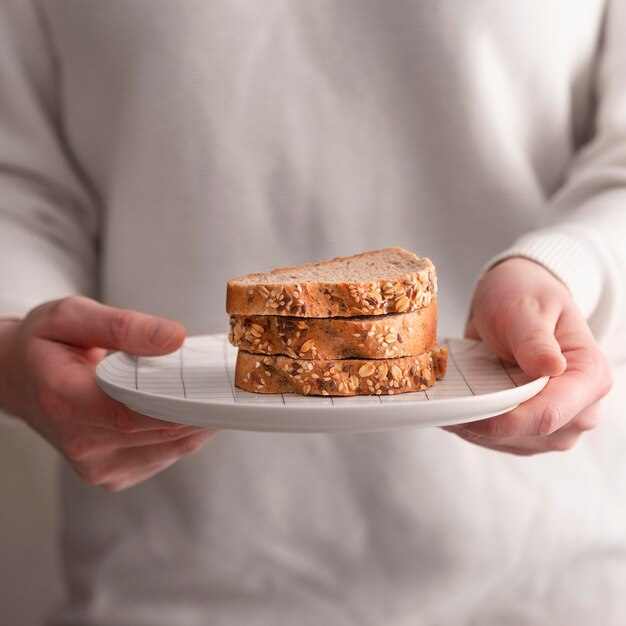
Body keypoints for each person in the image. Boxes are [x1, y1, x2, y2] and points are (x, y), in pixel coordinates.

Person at [1, 1, 625, 624]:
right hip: (163, 587)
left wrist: (563, 268)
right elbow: (16, 183)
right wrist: (12, 340)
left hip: (545, 586)